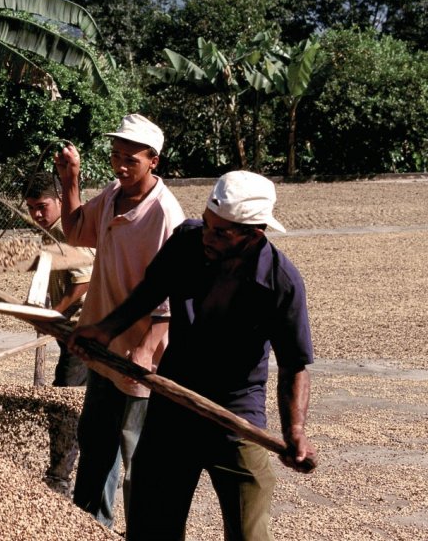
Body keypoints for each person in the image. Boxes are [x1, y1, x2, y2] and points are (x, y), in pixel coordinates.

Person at [70, 171, 317, 540]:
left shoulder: (280, 283)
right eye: (207, 223)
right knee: (152, 523)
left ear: (253, 235)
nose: (207, 235)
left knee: (250, 530)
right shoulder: (188, 240)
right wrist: (105, 329)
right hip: (174, 399)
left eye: (221, 232)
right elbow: (150, 290)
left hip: (235, 414)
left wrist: (294, 429)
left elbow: (295, 364)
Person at [53, 114, 186, 527]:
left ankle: (146, 533)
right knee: (96, 449)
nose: (121, 166)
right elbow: (75, 232)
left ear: (154, 162)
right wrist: (70, 178)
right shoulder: (112, 195)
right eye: (115, 157)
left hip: (138, 356)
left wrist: (146, 350)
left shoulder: (165, 214)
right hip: (103, 347)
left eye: (131, 159)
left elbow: (173, 290)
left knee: (138, 459)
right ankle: (92, 529)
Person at [23, 171, 94, 494]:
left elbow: (83, 281)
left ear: (60, 201)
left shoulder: (65, 231)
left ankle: (59, 478)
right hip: (71, 332)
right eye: (31, 207)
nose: (37, 214)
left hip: (84, 332)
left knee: (64, 401)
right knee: (79, 402)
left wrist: (55, 313)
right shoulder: (49, 233)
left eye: (42, 206)